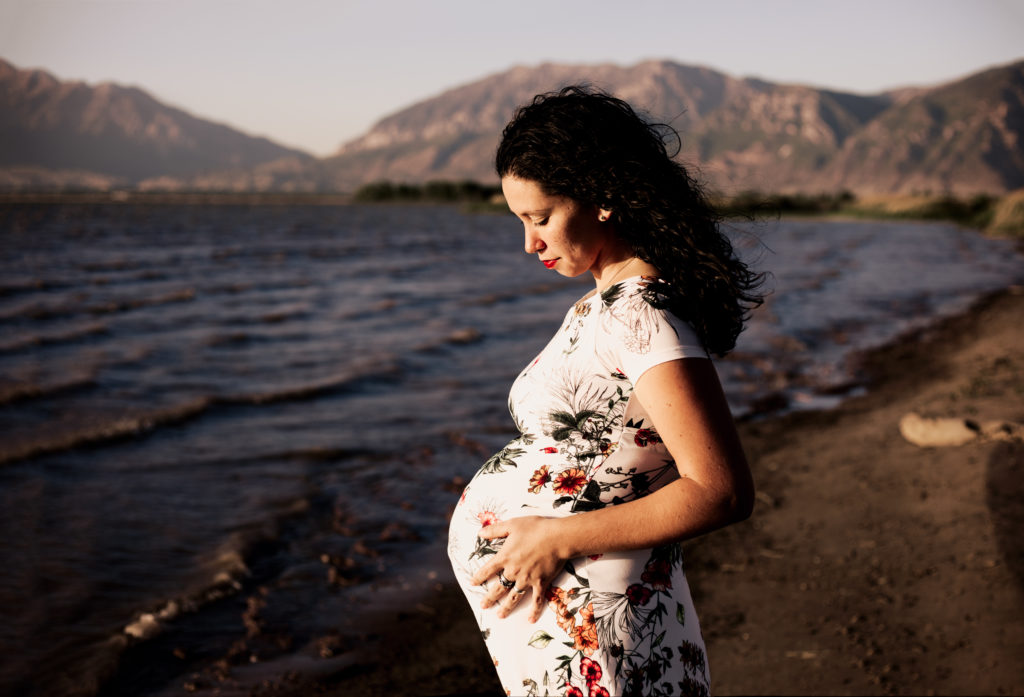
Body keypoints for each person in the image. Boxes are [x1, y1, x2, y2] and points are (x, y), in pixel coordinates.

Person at [447, 85, 762, 697]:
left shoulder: (640, 313)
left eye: (542, 218)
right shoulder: (611, 302)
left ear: (606, 199)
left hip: (598, 627)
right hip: (585, 619)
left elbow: (721, 491)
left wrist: (557, 534)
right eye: (520, 221)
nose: (530, 243)